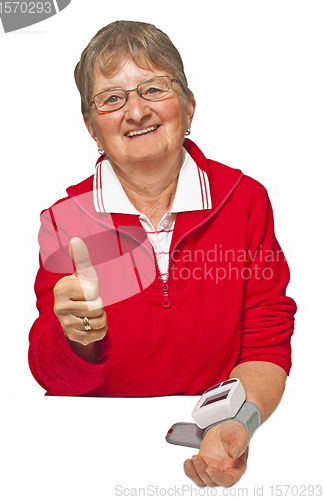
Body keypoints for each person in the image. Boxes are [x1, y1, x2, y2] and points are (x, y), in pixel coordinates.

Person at [29, 20, 296, 488]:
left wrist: (240, 424)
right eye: (112, 98)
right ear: (93, 129)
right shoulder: (64, 219)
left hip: (209, 437)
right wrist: (77, 338)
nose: (135, 111)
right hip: (91, 456)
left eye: (153, 88)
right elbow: (55, 380)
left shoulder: (246, 200)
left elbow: (266, 340)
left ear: (189, 108)